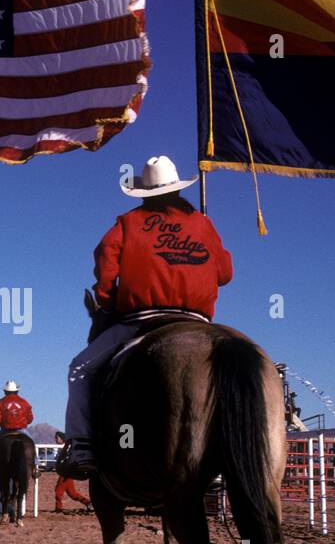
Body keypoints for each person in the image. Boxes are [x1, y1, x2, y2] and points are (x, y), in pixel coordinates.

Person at [61, 155, 233, 478]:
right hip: (198, 320)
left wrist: (107, 300)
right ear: (178, 188)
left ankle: (82, 446)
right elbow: (226, 273)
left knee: (79, 370)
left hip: (142, 319)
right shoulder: (203, 224)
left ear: (144, 191)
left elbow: (104, 263)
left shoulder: (128, 222)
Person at [53, 431, 92, 512]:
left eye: (57, 438)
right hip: (66, 472)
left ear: (62, 439)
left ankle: (58, 508)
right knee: (72, 493)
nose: (55, 439)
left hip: (65, 472)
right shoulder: (60, 448)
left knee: (58, 491)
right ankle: (88, 502)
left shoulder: (66, 447)